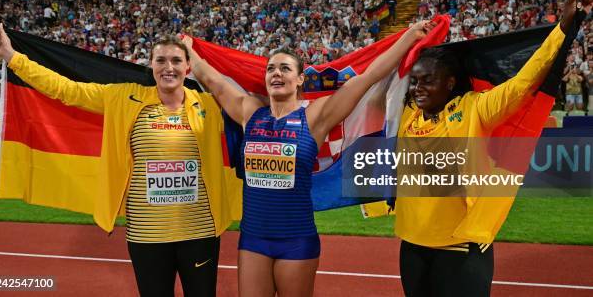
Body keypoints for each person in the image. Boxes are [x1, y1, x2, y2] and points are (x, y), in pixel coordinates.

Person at [183, 21, 436, 296]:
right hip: (253, 239)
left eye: (285, 68)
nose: (276, 74)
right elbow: (213, 81)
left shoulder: (314, 117)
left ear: (300, 79)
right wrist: (188, 49)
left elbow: (368, 77)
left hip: (296, 240)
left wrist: (409, 36)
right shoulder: (249, 112)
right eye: (271, 69)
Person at [0, 25, 241, 297]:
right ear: (151, 66)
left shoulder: (210, 105)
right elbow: (66, 90)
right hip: (147, 235)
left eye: (177, 60)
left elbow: (252, 102)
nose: (169, 67)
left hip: (199, 231)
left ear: (189, 68)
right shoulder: (124, 97)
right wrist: (11, 55)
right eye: (161, 60)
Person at [395, 0, 589, 296]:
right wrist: (411, 38)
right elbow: (389, 73)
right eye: (415, 81)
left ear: (450, 82)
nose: (418, 88)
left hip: (460, 247)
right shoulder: (408, 114)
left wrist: (563, 28)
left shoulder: (472, 107)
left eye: (427, 81)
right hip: (413, 246)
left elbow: (521, 85)